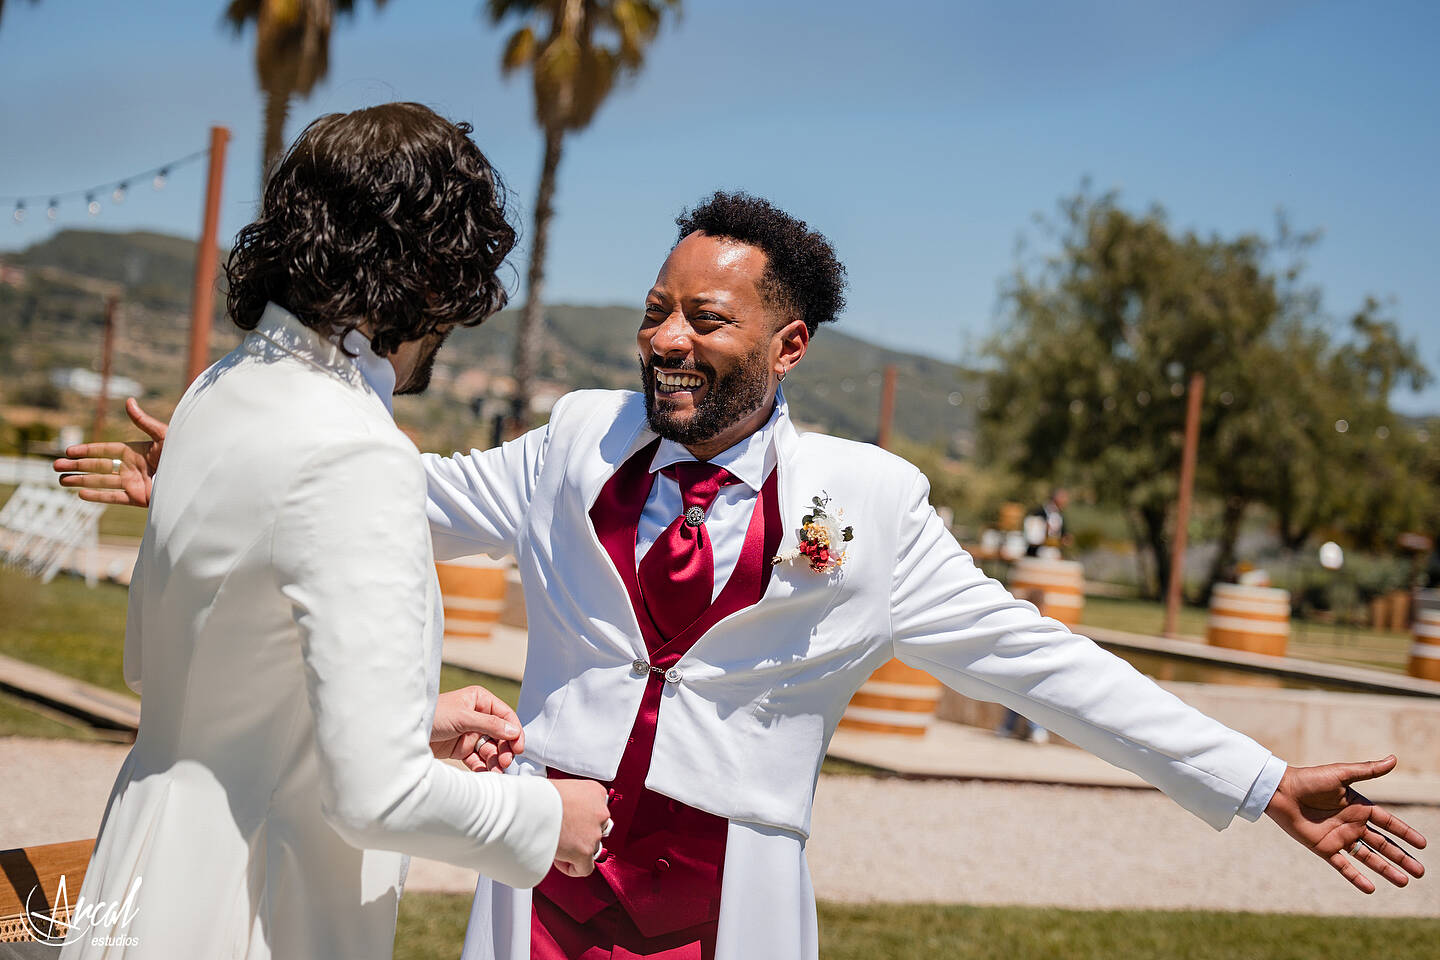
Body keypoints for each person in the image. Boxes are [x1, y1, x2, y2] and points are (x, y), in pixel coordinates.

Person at [63, 192, 1426, 960]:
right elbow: (391, 501)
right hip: (540, 873)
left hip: (723, 906)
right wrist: (211, 471)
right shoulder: (569, 446)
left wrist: (1254, 779)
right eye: (656, 307)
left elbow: (1039, 662)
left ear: (786, 348)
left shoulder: (871, 508)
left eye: (703, 318)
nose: (662, 336)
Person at [51, 104, 608, 960]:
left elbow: (197, 679)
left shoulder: (214, 392)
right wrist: (548, 821)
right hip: (251, 906)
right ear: (430, 277)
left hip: (141, 863)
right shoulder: (358, 452)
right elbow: (374, 796)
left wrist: (404, 718)